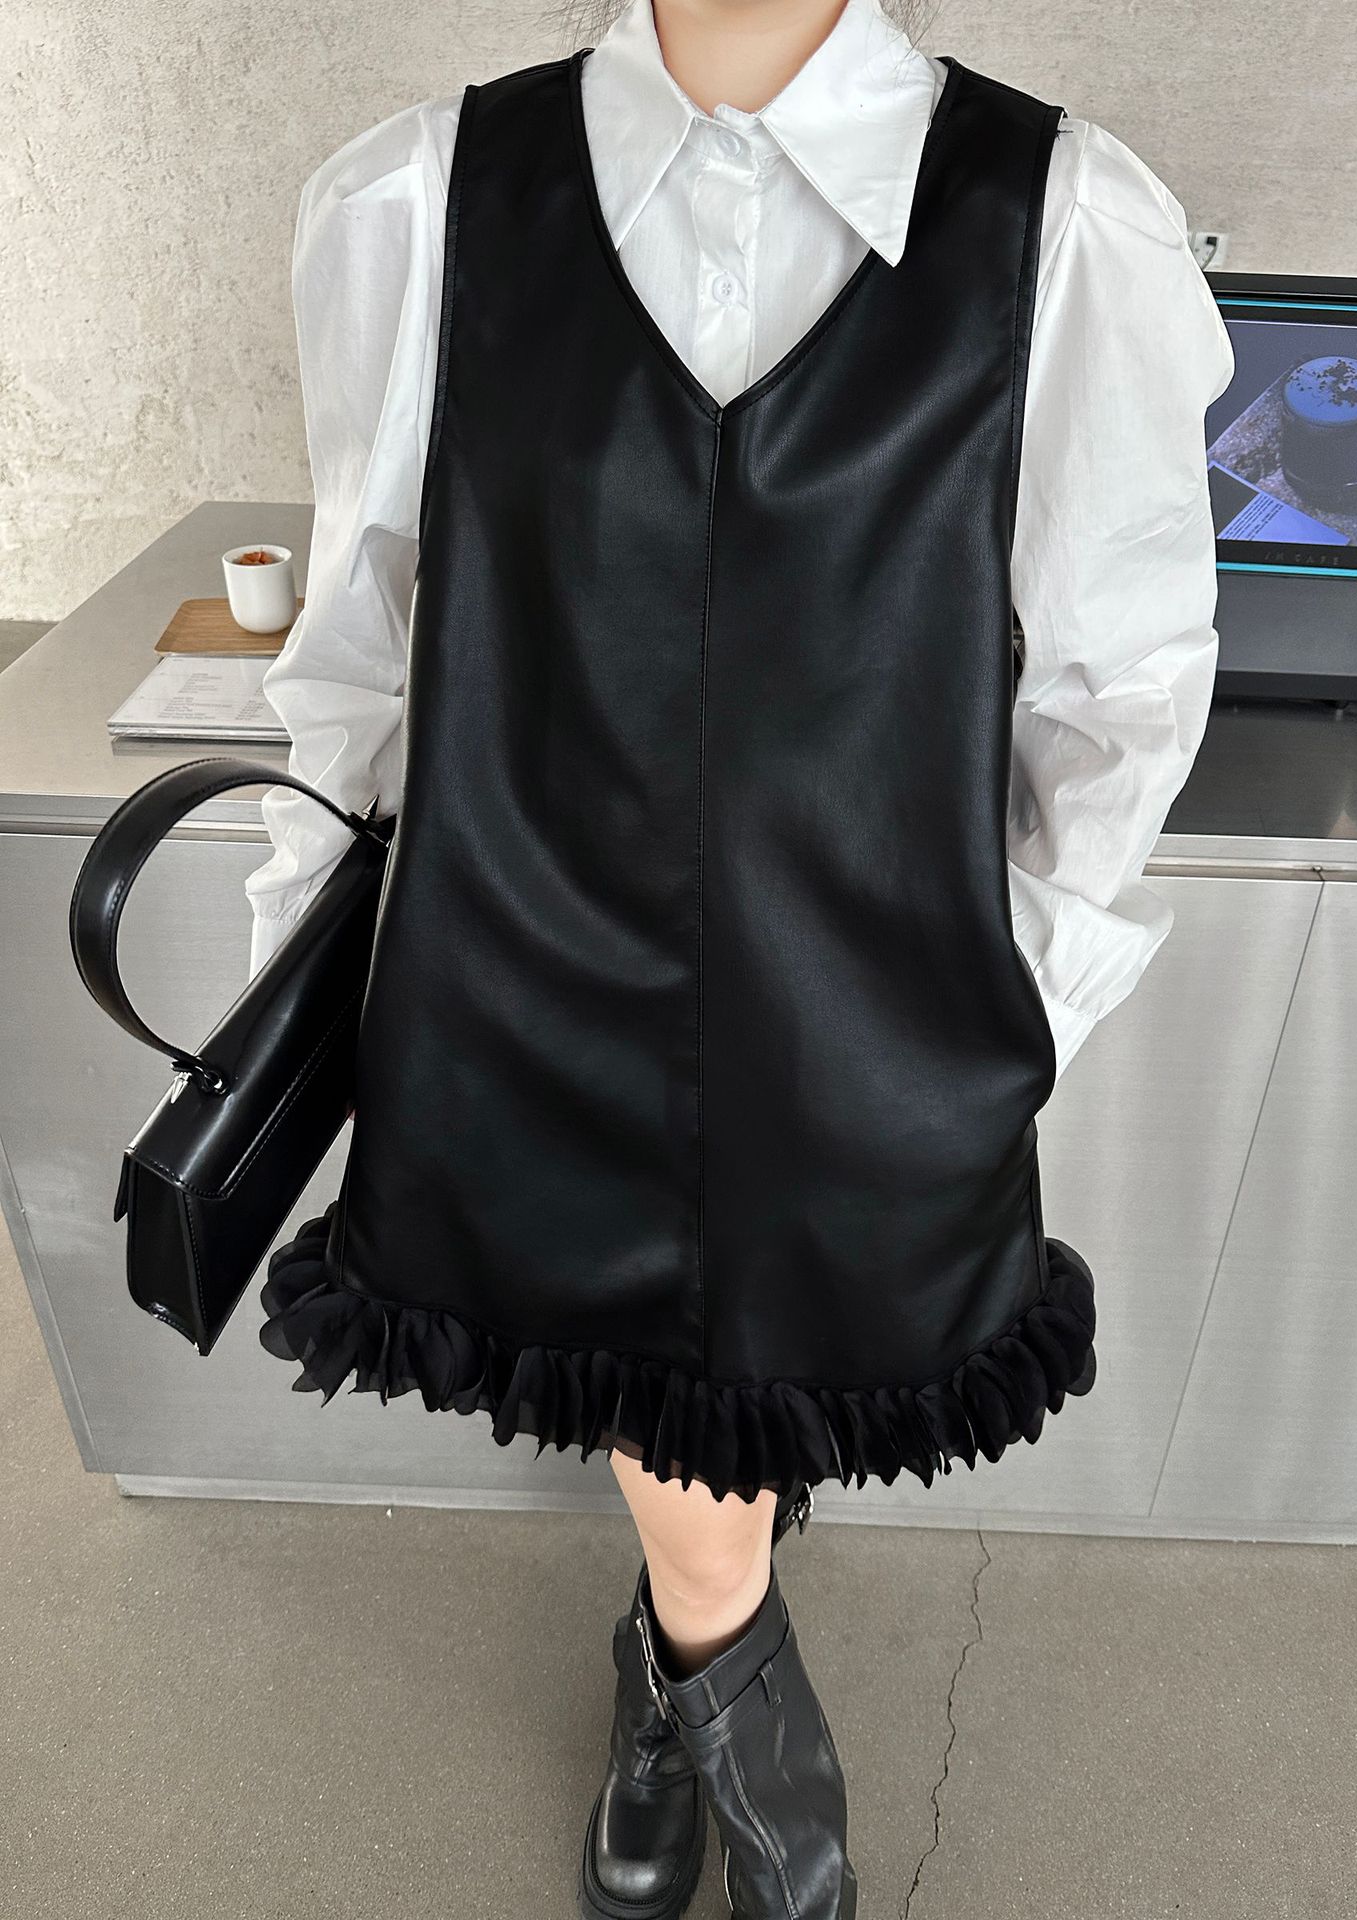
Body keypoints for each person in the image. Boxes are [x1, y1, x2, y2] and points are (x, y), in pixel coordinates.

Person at [244, 0, 1234, 1912]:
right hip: (516, 962)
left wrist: (998, 1008)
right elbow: (360, 642)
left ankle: (666, 1677)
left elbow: (1121, 691)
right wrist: (313, 962)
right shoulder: (421, 194)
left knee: (761, 1386)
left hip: (868, 983)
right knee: (670, 1423)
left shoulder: (1062, 217)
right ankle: (752, 1739)